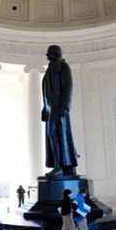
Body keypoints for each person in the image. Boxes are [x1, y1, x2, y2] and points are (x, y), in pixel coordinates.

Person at [42, 45, 79, 176]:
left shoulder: (63, 67)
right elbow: (46, 91)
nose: (47, 55)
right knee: (51, 134)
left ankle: (61, 166)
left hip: (60, 107)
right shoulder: (49, 70)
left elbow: (69, 86)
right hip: (51, 109)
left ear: (55, 53)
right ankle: (58, 166)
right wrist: (44, 108)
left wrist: (65, 106)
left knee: (59, 135)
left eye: (49, 53)